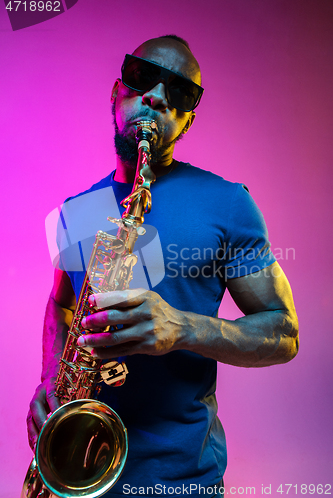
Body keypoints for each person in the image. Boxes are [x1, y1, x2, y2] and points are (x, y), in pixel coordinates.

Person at [27, 35, 299, 497]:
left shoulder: (227, 203)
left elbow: (283, 333)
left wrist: (183, 328)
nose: (156, 96)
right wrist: (51, 378)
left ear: (187, 121)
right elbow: (61, 306)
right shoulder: (77, 211)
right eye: (141, 77)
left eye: (178, 93)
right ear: (117, 92)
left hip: (181, 481)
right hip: (77, 474)